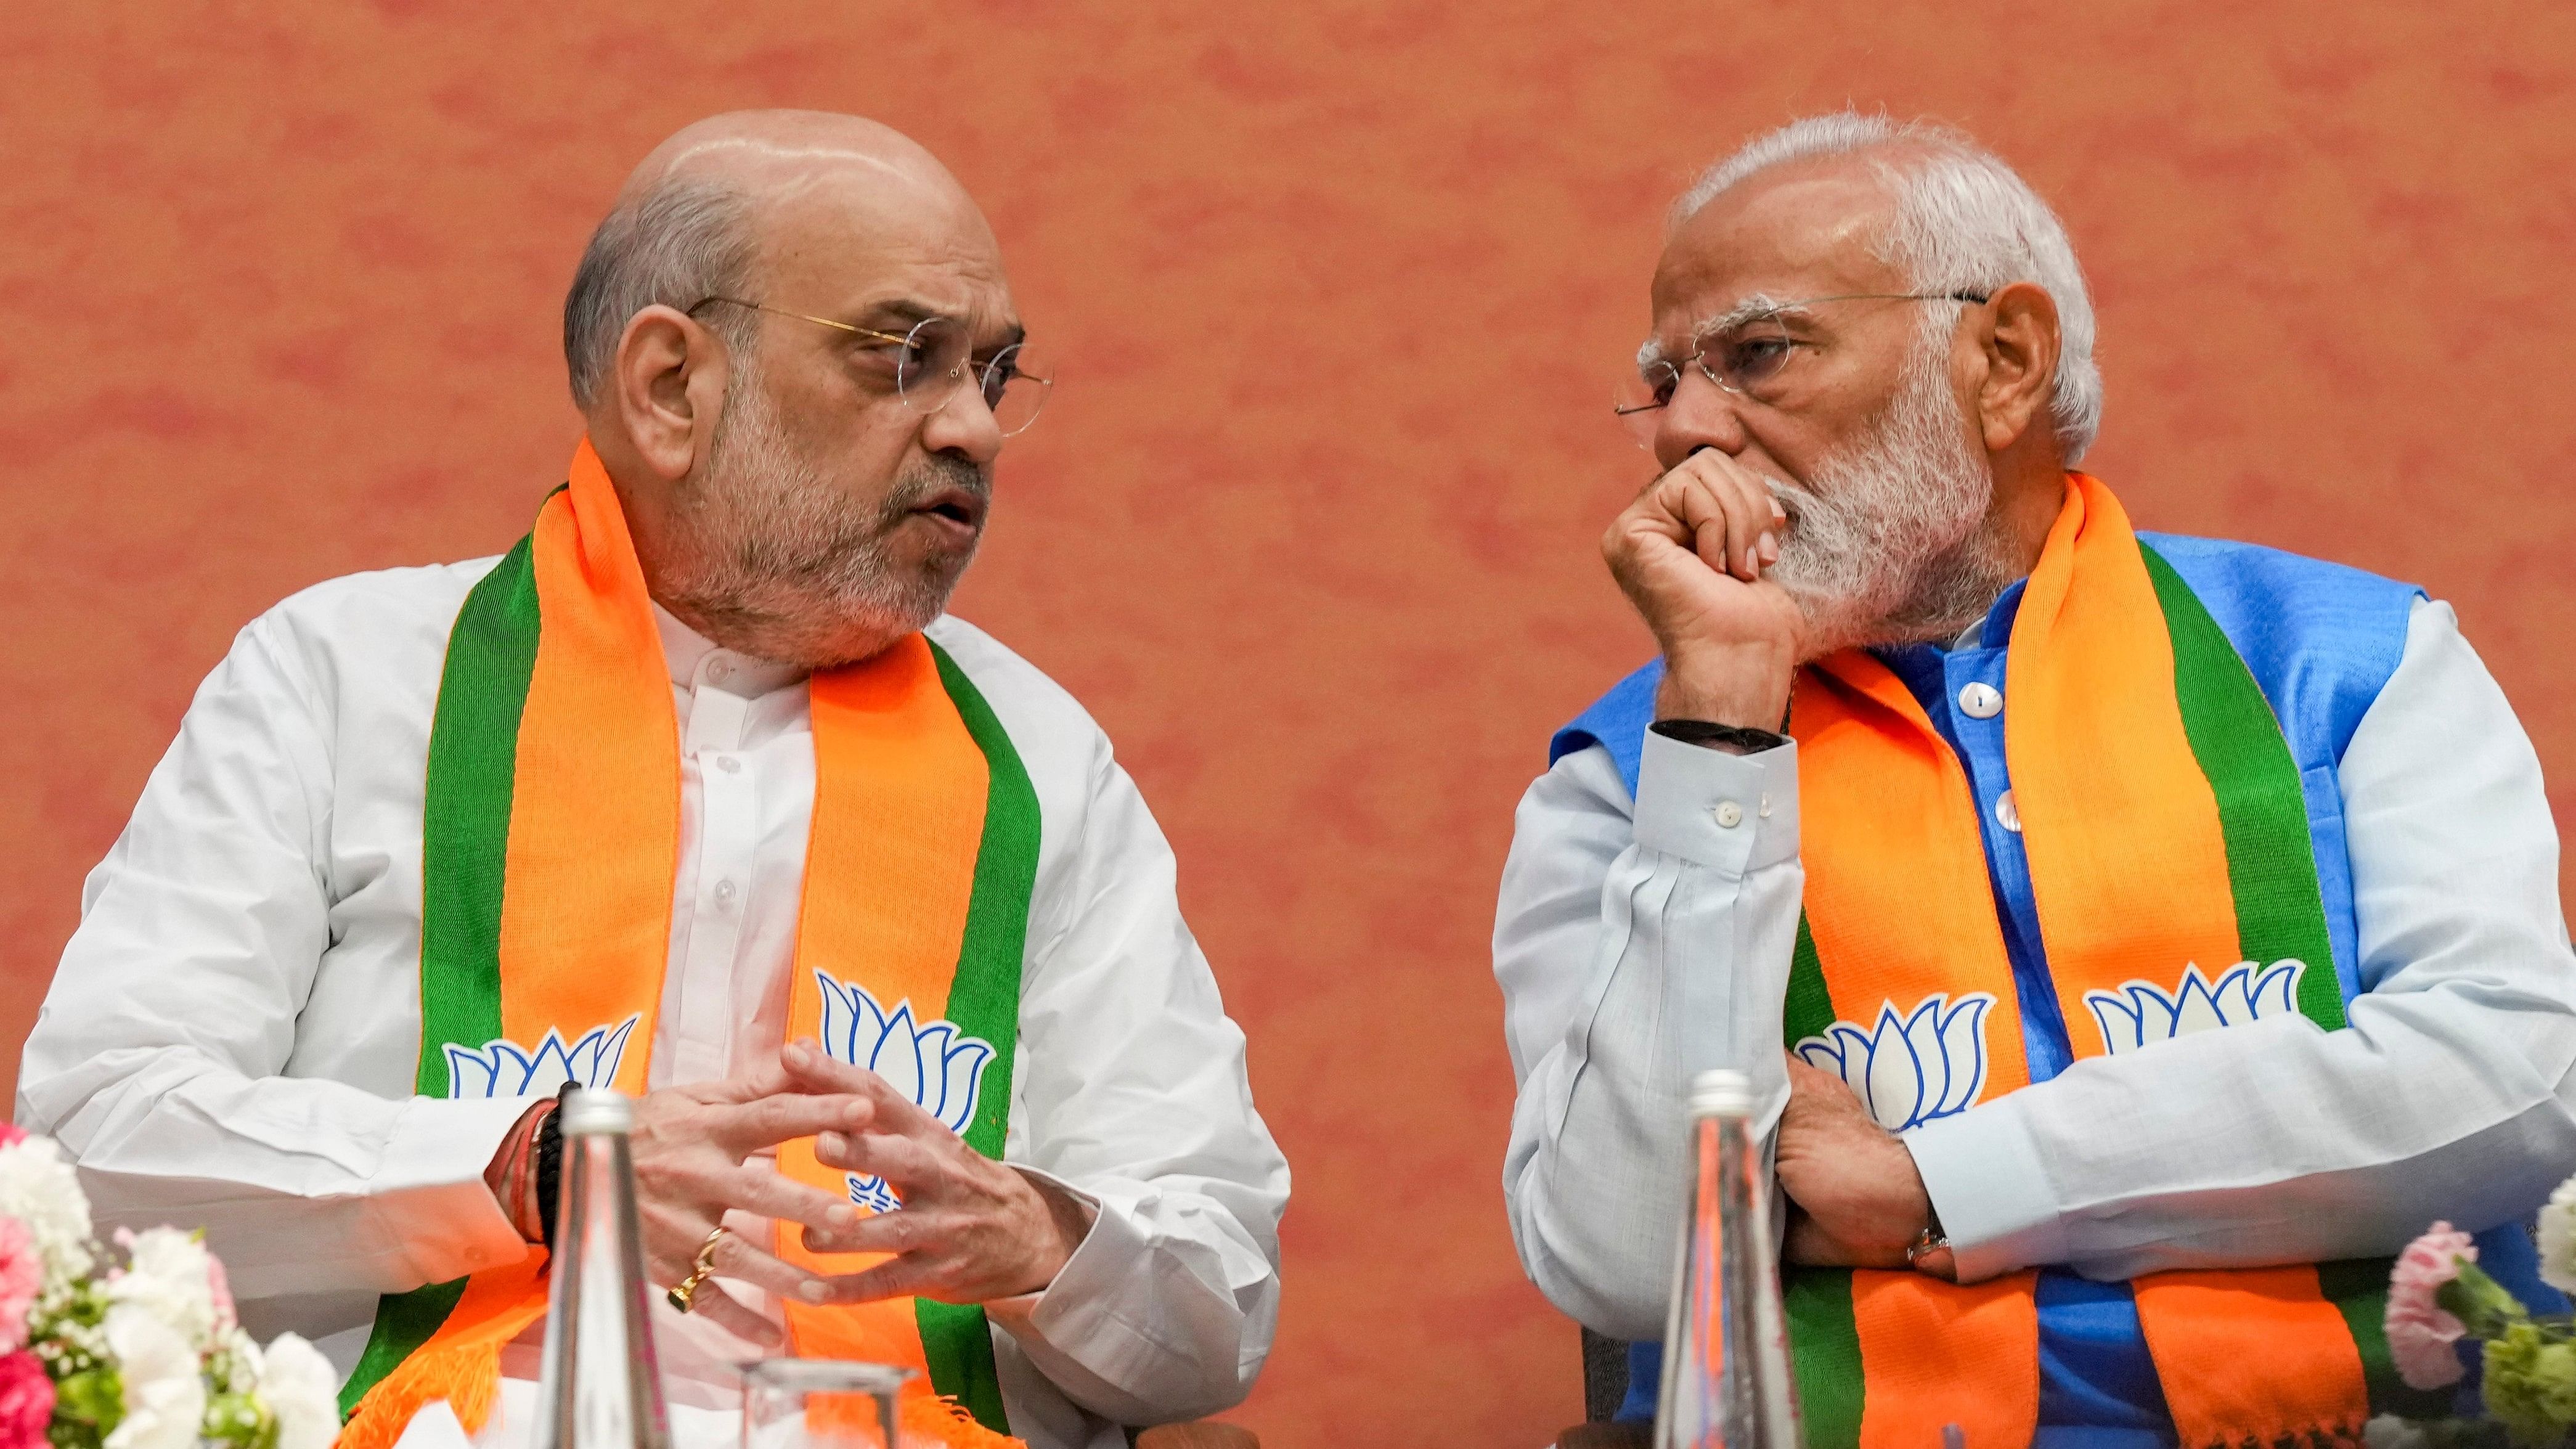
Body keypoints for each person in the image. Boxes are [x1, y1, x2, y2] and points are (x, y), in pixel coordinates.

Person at [17, 110, 1287, 1449]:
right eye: (906, 357)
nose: (973, 427)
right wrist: (530, 1168)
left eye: (994, 370)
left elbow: (1217, 1303)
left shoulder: (1036, 762)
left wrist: (1041, 1234)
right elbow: (99, 1147)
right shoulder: (342, 682)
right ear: (672, 387)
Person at [1496, 112, 2576, 1445]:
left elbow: (2513, 1085)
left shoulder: (2343, 664)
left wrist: (1935, 1180)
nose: (1682, 433)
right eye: (1663, 383)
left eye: (1756, 353)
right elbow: (1621, 1257)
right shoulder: (1621, 778)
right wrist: (1719, 722)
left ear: (2000, 361)